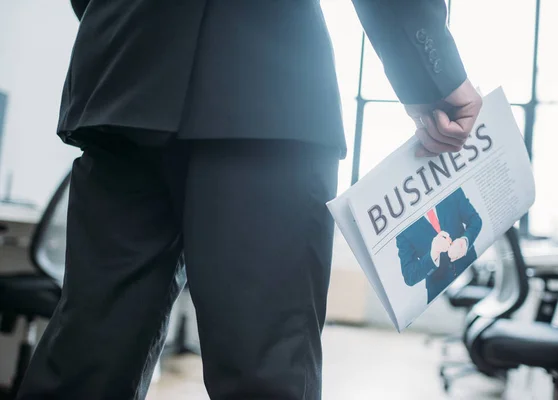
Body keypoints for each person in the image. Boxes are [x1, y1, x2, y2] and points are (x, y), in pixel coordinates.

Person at [17, 0, 482, 399]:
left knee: (87, 359)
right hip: (265, 84)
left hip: (125, 81)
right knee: (264, 373)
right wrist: (432, 75)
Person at [396, 188, 482, 304]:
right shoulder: (402, 228)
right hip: (439, 293)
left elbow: (475, 220)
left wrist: (465, 240)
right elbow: (409, 276)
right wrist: (433, 254)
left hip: (474, 277)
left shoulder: (450, 189)